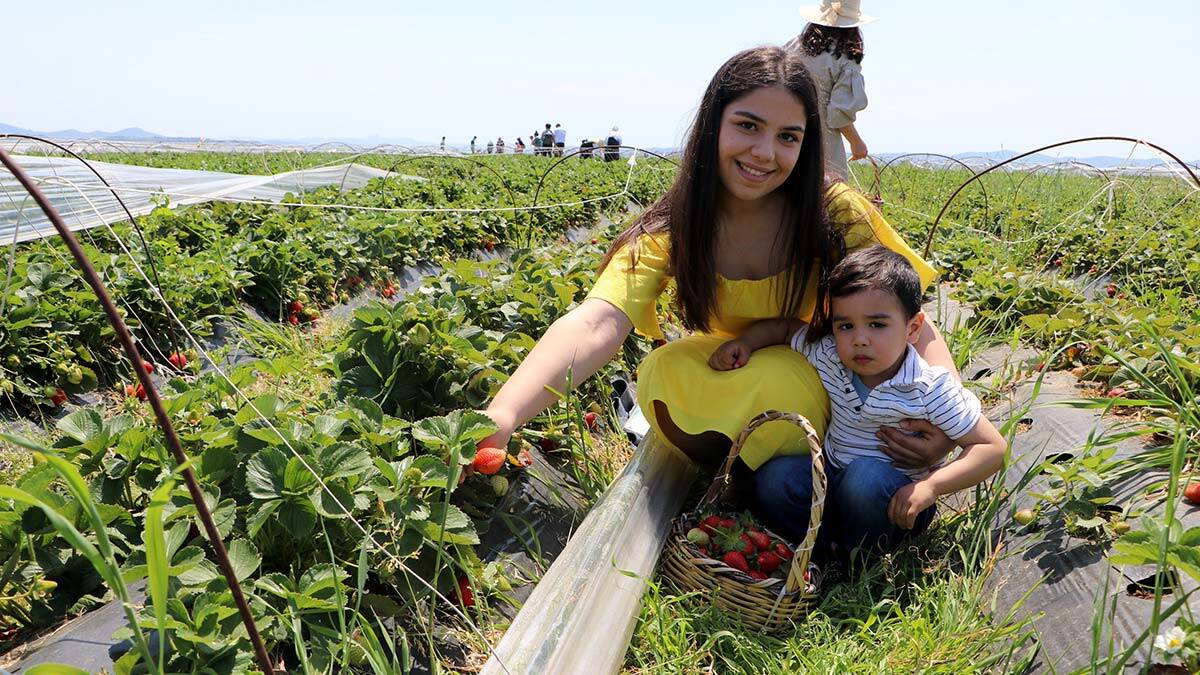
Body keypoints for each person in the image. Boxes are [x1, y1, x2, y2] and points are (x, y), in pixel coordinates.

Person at [480, 46, 959, 538]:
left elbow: (909, 314)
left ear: (806, 144)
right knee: (666, 370)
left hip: (835, 380)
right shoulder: (677, 226)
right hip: (741, 372)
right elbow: (598, 320)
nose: (765, 153)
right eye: (748, 126)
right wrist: (505, 412)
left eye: (788, 137)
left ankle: (804, 491)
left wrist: (942, 416)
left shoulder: (831, 210)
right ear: (713, 125)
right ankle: (762, 483)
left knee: (793, 395)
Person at [708, 245, 1006, 560]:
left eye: (877, 324)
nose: (859, 339)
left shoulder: (929, 387)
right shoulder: (831, 356)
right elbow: (784, 328)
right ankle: (820, 551)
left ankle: (863, 557)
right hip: (834, 480)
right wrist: (744, 343)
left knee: (865, 478)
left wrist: (930, 487)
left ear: (913, 328)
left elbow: (992, 449)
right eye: (845, 325)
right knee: (775, 479)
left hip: (896, 500)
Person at [784, 0, 872, 179]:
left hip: (785, 129)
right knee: (826, 195)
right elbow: (837, 114)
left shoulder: (794, 45)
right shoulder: (846, 59)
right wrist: (857, 143)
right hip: (821, 139)